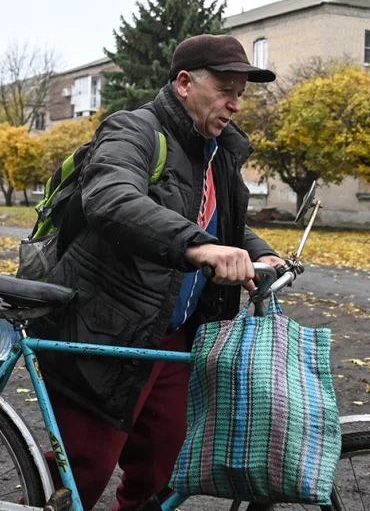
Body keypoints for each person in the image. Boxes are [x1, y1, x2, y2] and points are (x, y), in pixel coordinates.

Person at [34, 34, 286, 511]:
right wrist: (200, 248)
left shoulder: (217, 152)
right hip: (105, 331)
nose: (235, 104)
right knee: (82, 472)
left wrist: (263, 254)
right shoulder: (133, 130)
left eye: (242, 94)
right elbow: (112, 198)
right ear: (185, 83)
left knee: (161, 468)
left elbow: (221, 222)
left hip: (169, 337)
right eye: (226, 88)